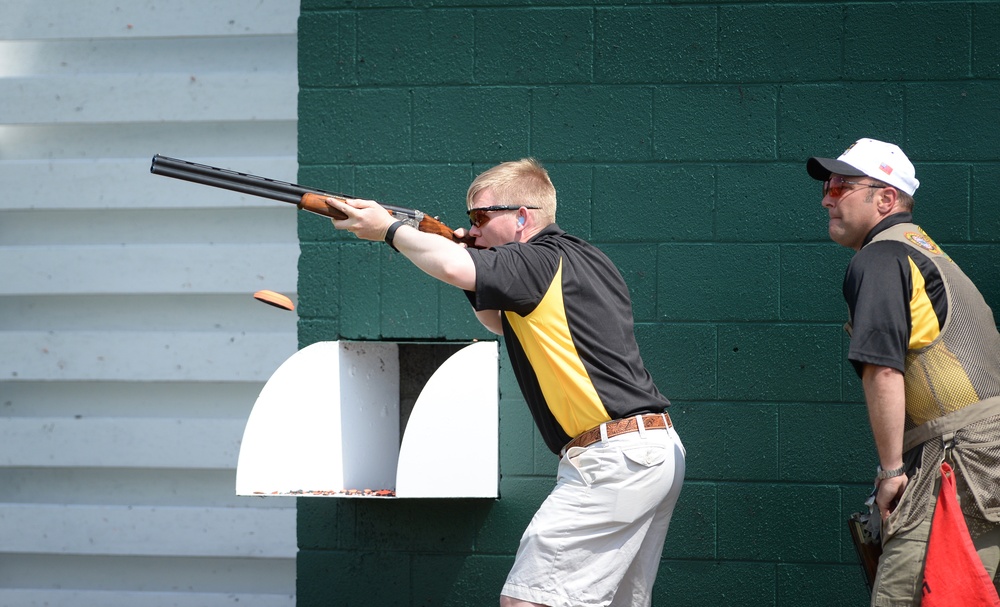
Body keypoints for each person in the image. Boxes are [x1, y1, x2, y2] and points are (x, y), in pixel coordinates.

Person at [325, 158, 685, 607]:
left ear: (522, 217)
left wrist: (389, 230)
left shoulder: (537, 259)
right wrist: (459, 248)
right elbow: (496, 318)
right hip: (644, 454)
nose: (472, 229)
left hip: (613, 458)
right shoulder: (579, 257)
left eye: (480, 217)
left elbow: (459, 269)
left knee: (528, 601)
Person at [807, 138, 1000, 605]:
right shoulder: (923, 250)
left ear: (886, 198)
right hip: (983, 459)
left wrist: (892, 471)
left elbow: (883, 371)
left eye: (841, 185)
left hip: (958, 463)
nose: (827, 197)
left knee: (904, 594)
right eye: (828, 185)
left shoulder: (879, 258)